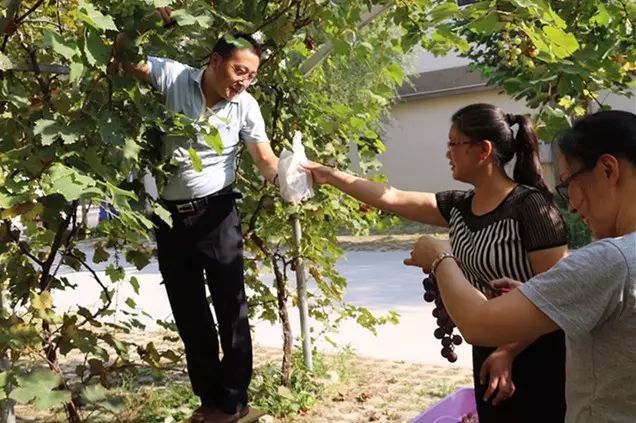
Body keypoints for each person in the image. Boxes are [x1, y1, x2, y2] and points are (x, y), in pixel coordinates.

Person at [304, 103, 568, 421]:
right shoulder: (460, 206)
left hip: (536, 349)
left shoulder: (531, 207)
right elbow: (392, 197)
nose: (447, 153)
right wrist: (330, 176)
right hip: (486, 341)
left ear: (483, 150)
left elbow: (558, 297)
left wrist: (508, 351)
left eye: (453, 144)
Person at [405, 110, 636, 422]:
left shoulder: (610, 261)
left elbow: (477, 323)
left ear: (608, 170)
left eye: (568, 185)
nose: (570, 205)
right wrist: (541, 294)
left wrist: (440, 256)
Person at [112, 10, 278, 423]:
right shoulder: (174, 77)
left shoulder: (246, 107)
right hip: (170, 219)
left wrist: (287, 179)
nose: (244, 81)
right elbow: (122, 53)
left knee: (231, 310)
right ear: (215, 61)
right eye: (240, 70)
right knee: (189, 313)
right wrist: (151, 14)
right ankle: (209, 403)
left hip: (218, 214)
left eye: (252, 76)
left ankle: (235, 403)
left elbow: (265, 159)